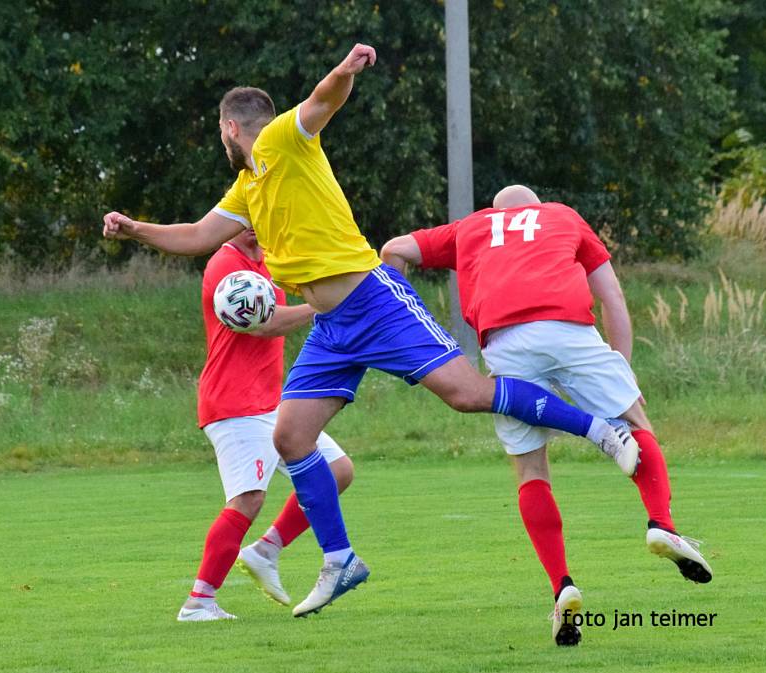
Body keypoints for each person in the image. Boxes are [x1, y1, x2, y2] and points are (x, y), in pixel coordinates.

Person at [103, 43, 638, 618]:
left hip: (371, 298)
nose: (220, 140)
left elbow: (320, 103)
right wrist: (136, 229)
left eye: (219, 131)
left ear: (231, 127)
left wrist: (344, 70)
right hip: (332, 325)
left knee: (467, 394)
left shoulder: (284, 138)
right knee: (291, 436)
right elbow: (197, 235)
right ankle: (340, 560)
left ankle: (601, 430)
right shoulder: (247, 188)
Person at [380, 184, 713, 646]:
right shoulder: (563, 215)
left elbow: (394, 249)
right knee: (636, 425)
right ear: (535, 209)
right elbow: (613, 299)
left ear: (494, 212)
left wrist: (406, 310)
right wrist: (623, 369)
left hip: (506, 344)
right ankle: (662, 524)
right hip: (569, 330)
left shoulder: (470, 227)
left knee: (531, 470)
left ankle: (562, 587)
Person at [177, 228, 354, 622]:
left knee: (337, 471)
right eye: (246, 216)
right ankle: (198, 603)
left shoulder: (268, 258)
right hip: (234, 403)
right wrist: (322, 306)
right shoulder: (225, 264)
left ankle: (264, 551)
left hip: (269, 401)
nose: (257, 222)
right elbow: (263, 324)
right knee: (248, 499)